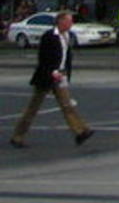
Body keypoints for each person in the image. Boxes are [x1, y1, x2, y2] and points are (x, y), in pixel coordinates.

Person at [10, 11, 93, 148]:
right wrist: (52, 72)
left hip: (60, 76)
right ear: (61, 22)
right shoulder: (49, 36)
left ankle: (81, 131)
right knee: (33, 108)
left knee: (67, 105)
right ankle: (17, 136)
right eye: (69, 21)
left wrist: (64, 73)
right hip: (46, 77)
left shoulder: (66, 36)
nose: (71, 24)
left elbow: (66, 58)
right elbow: (43, 58)